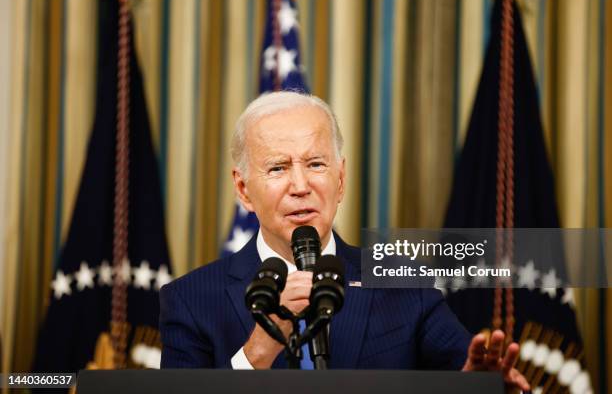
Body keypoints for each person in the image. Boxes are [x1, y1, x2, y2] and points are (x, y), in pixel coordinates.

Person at [159, 91, 529, 391]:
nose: (301, 186)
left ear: (341, 179)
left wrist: (480, 386)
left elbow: (463, 371)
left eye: (316, 164)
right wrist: (256, 352)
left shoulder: (402, 282)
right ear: (243, 189)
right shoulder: (191, 299)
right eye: (278, 168)